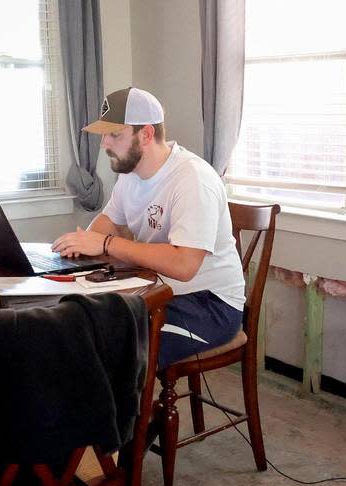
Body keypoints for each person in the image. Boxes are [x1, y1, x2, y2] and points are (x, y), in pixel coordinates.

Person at [52, 87, 245, 367]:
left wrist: (106, 244)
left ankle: (122, 412)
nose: (104, 144)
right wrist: (82, 244)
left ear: (146, 135)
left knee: (113, 345)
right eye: (104, 134)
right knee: (79, 324)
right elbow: (107, 223)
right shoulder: (131, 174)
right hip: (159, 291)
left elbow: (184, 265)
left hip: (209, 305)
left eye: (115, 135)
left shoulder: (192, 179)